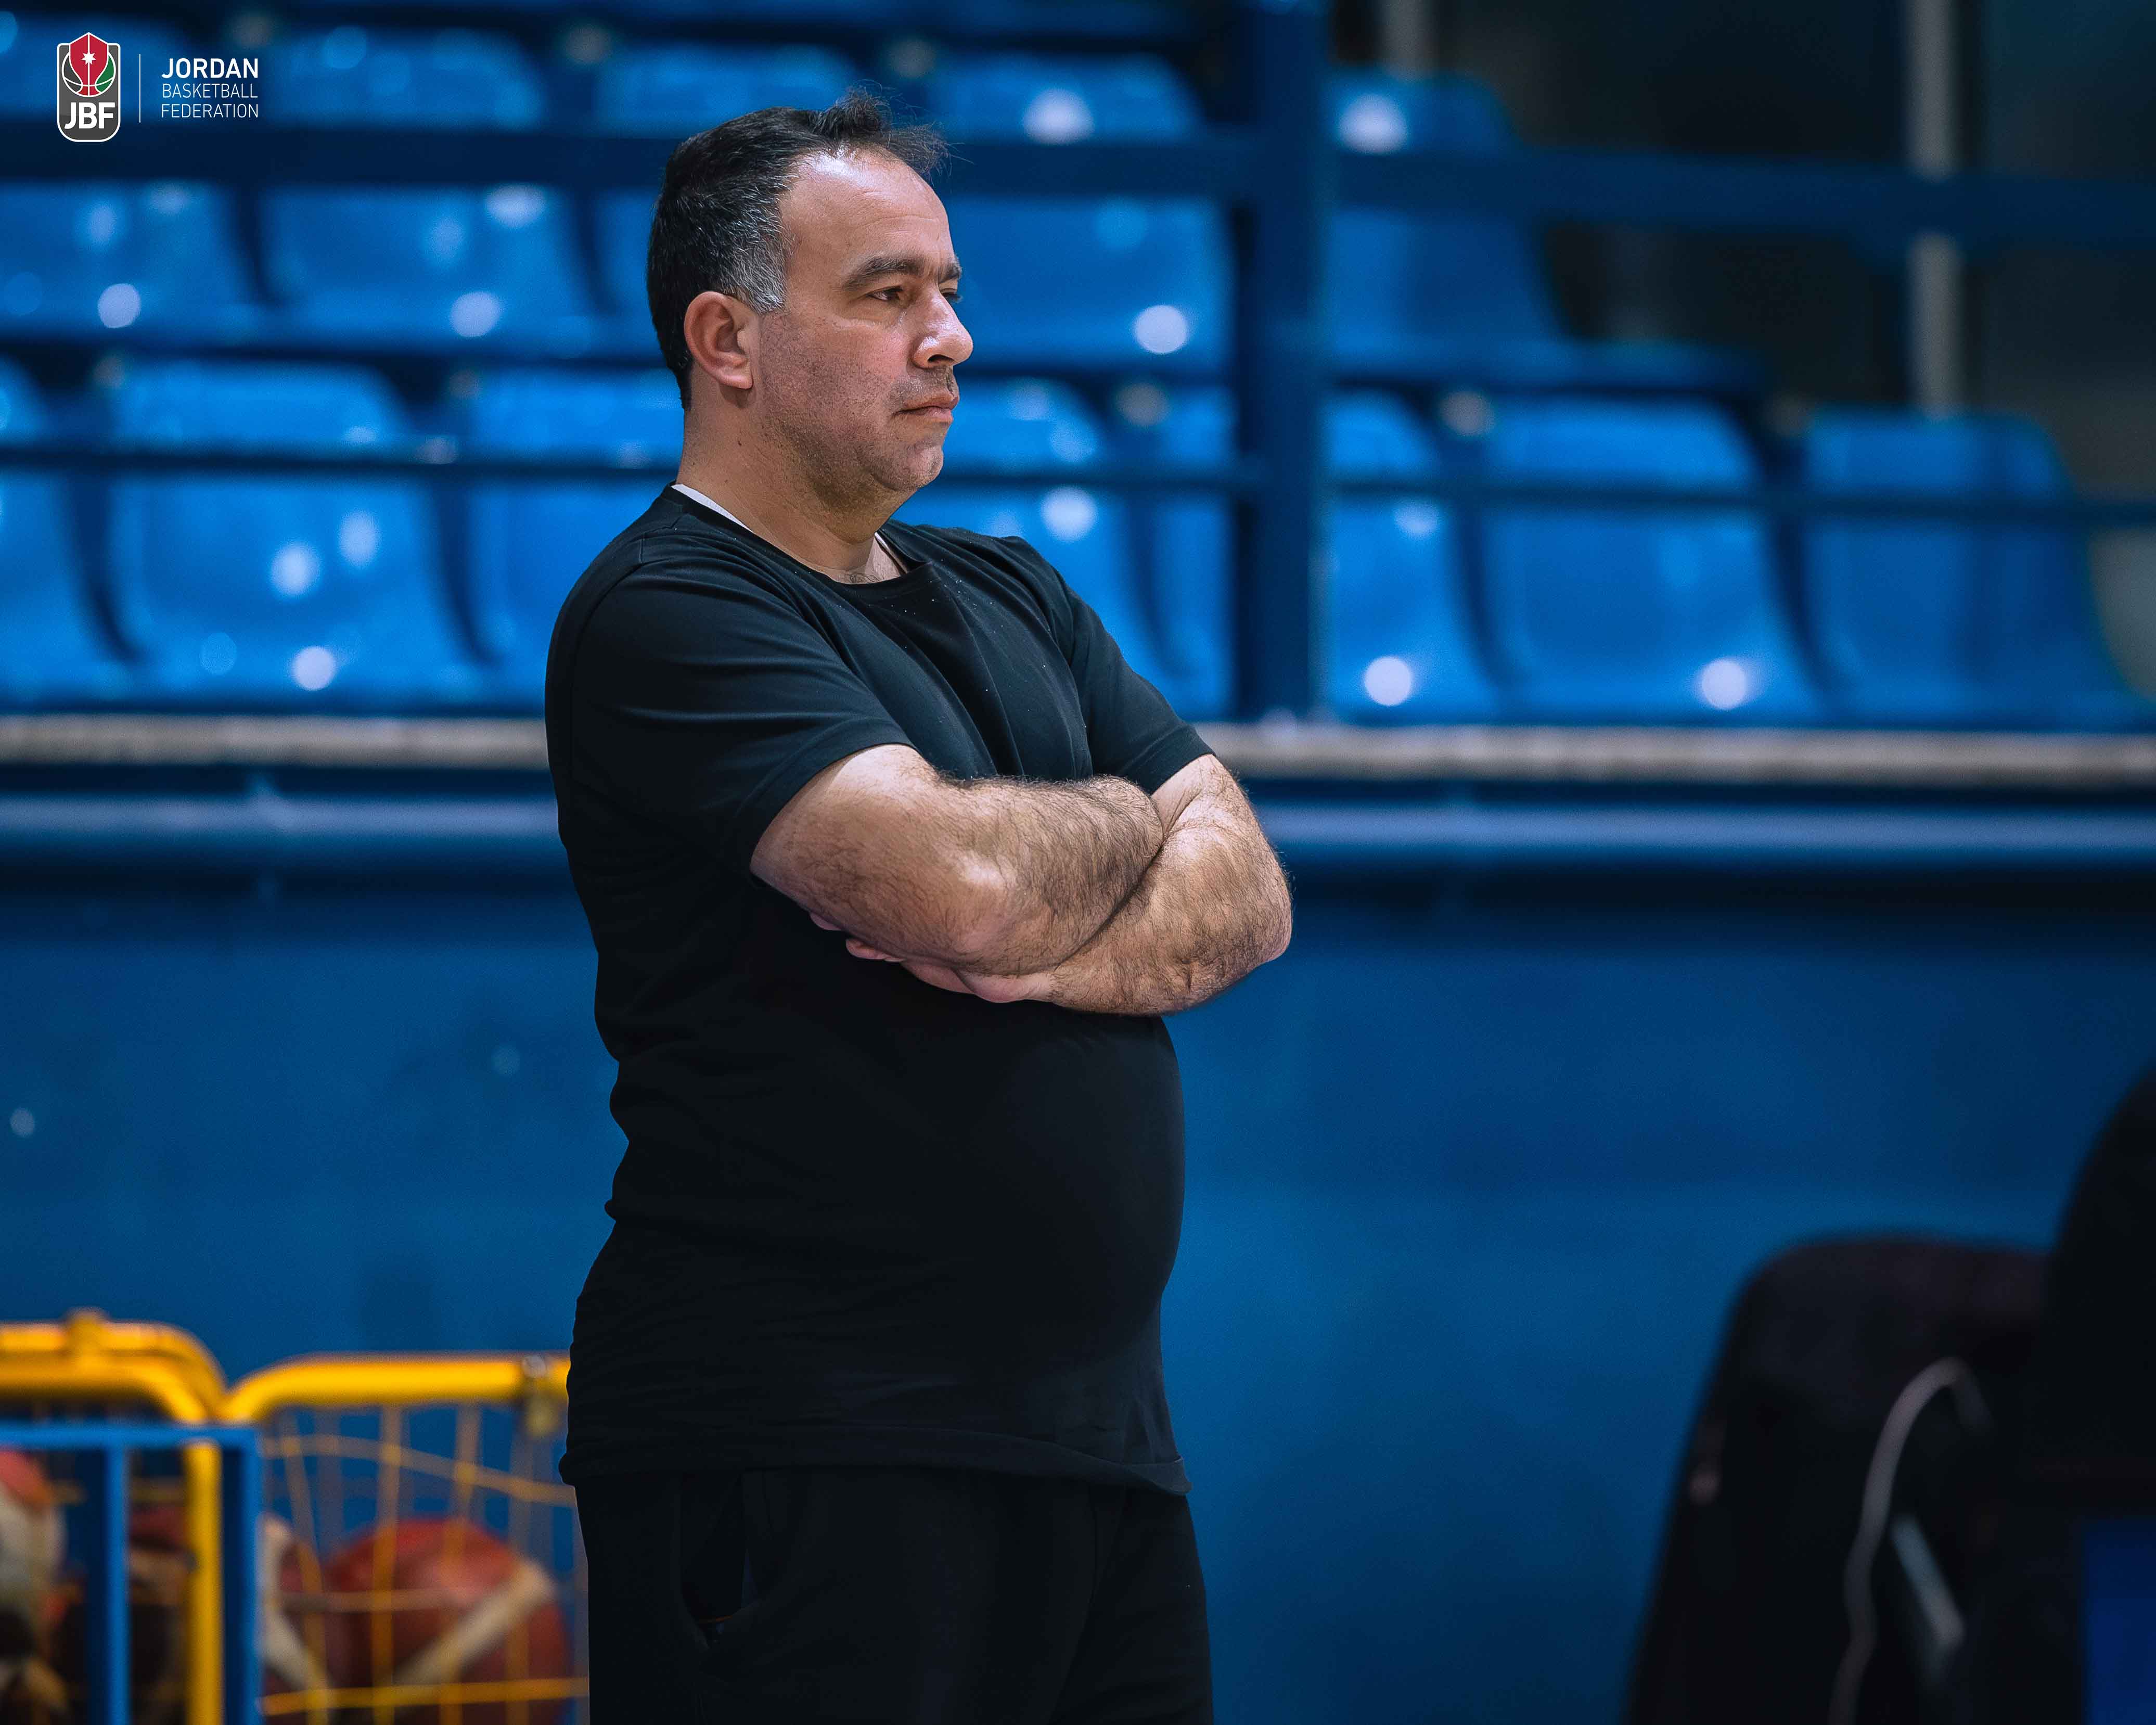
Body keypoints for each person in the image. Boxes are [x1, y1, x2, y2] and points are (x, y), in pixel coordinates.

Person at [545, 91, 1294, 1723]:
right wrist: (1127, 818)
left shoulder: (1017, 587)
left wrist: (1039, 948)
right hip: (808, 1448)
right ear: (728, 341)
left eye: (948, 290)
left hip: (1100, 1455)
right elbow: (957, 885)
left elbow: (1247, 894)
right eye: (888, 295)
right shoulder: (667, 609)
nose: (951, 338)